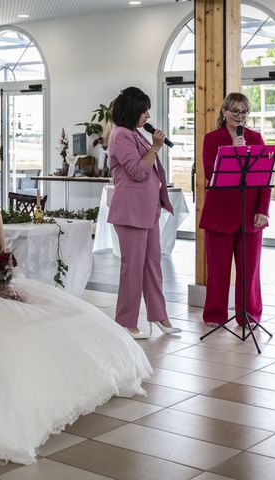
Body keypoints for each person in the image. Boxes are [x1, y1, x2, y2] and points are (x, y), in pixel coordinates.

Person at [0, 148, 151, 465]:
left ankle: (50, 395)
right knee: (3, 332)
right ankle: (4, 409)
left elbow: (1, 257)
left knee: (63, 314)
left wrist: (5, 283)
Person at [107, 86, 182, 339]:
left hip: (148, 210)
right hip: (130, 212)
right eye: (144, 111)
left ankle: (159, 315)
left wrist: (153, 145)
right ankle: (126, 322)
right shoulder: (120, 136)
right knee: (133, 267)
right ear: (132, 111)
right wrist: (156, 147)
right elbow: (138, 171)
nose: (148, 116)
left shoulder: (134, 133)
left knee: (152, 264)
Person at [199, 92, 270, 327]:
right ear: (224, 112)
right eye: (235, 111)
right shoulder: (212, 139)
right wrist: (232, 148)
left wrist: (263, 210)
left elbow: (264, 179)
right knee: (218, 271)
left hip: (250, 215)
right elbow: (210, 173)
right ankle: (215, 315)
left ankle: (248, 315)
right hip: (220, 213)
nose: (240, 116)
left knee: (249, 272)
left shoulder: (256, 138)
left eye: (244, 112)